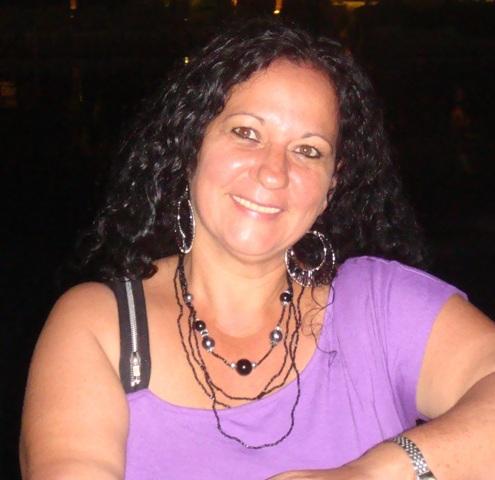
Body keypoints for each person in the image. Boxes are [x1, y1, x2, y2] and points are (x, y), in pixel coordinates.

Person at [20, 19, 495, 480]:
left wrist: (376, 472)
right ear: (191, 145)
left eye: (308, 150)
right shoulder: (102, 327)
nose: (273, 172)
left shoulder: (379, 307)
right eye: (246, 133)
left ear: (330, 187)